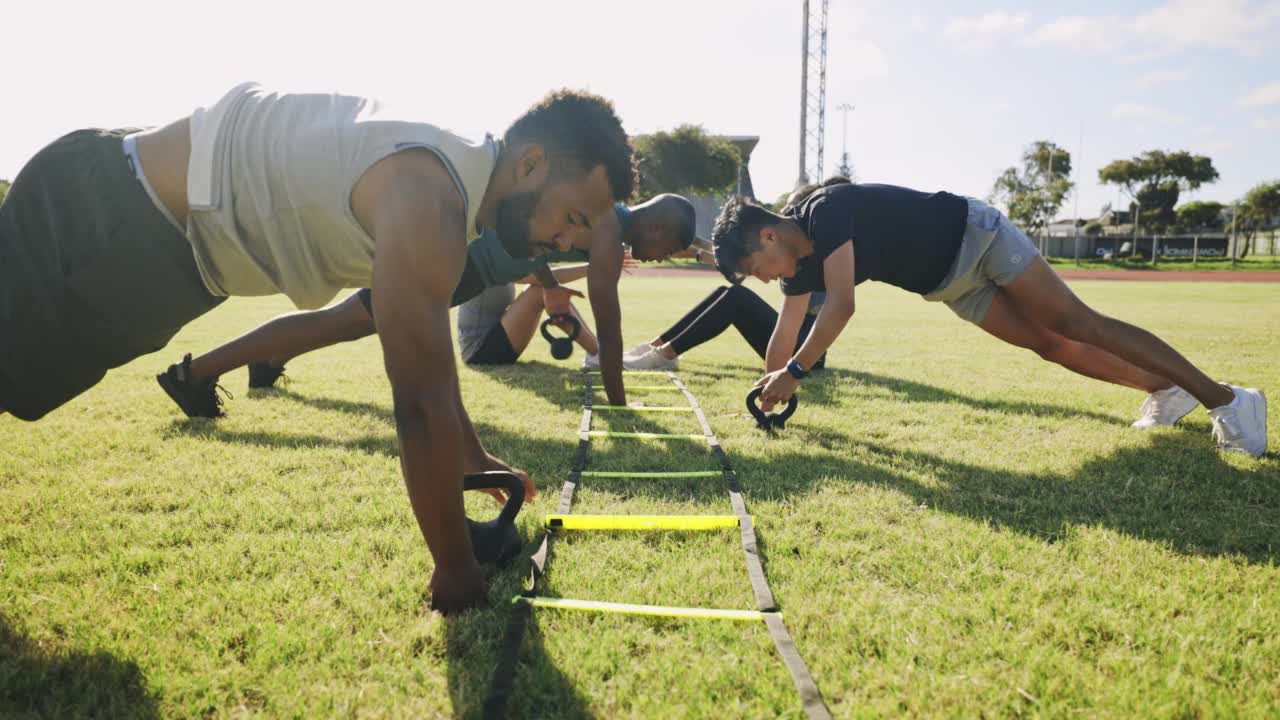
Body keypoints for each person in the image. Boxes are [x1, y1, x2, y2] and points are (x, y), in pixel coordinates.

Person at [0, 82, 635, 611]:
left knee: (28, 390)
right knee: (15, 379)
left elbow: (435, 374)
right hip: (107, 212)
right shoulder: (430, 197)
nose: (569, 241)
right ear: (530, 164)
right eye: (574, 217)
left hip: (164, 253)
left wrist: (472, 458)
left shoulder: (453, 185)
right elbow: (418, 402)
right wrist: (455, 570)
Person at [711, 178, 1268, 457]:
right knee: (1049, 346)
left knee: (1076, 322)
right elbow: (787, 329)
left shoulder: (823, 212)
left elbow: (842, 305)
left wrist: (797, 374)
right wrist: (768, 387)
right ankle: (1166, 391)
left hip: (976, 238)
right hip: (952, 286)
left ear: (766, 235)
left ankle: (1228, 400)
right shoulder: (794, 266)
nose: (763, 279)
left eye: (754, 268)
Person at [157, 196, 695, 411]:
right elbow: (610, 320)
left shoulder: (599, 211)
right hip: (453, 263)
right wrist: (620, 407)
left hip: (458, 267)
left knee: (345, 323)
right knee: (346, 321)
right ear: (654, 225)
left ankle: (269, 360)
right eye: (665, 249)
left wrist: (547, 281)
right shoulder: (607, 230)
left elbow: (531, 234)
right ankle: (195, 373)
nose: (658, 257)